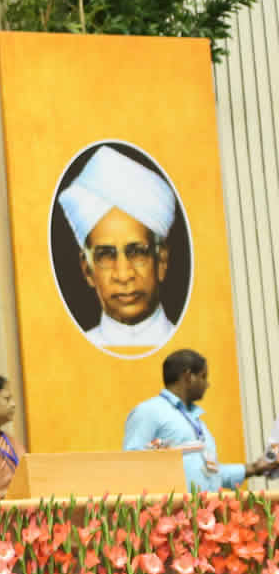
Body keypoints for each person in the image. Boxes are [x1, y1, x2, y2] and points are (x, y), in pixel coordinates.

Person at [57, 145, 180, 351]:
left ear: (161, 261)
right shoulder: (69, 352)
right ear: (87, 270)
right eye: (106, 255)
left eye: (137, 252)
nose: (123, 275)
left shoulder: (190, 341)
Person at [122, 349, 275, 491]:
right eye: (203, 376)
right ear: (188, 376)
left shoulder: (196, 421)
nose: (207, 384)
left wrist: (255, 468)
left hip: (205, 509)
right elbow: (132, 466)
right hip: (171, 510)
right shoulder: (148, 411)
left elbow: (212, 474)